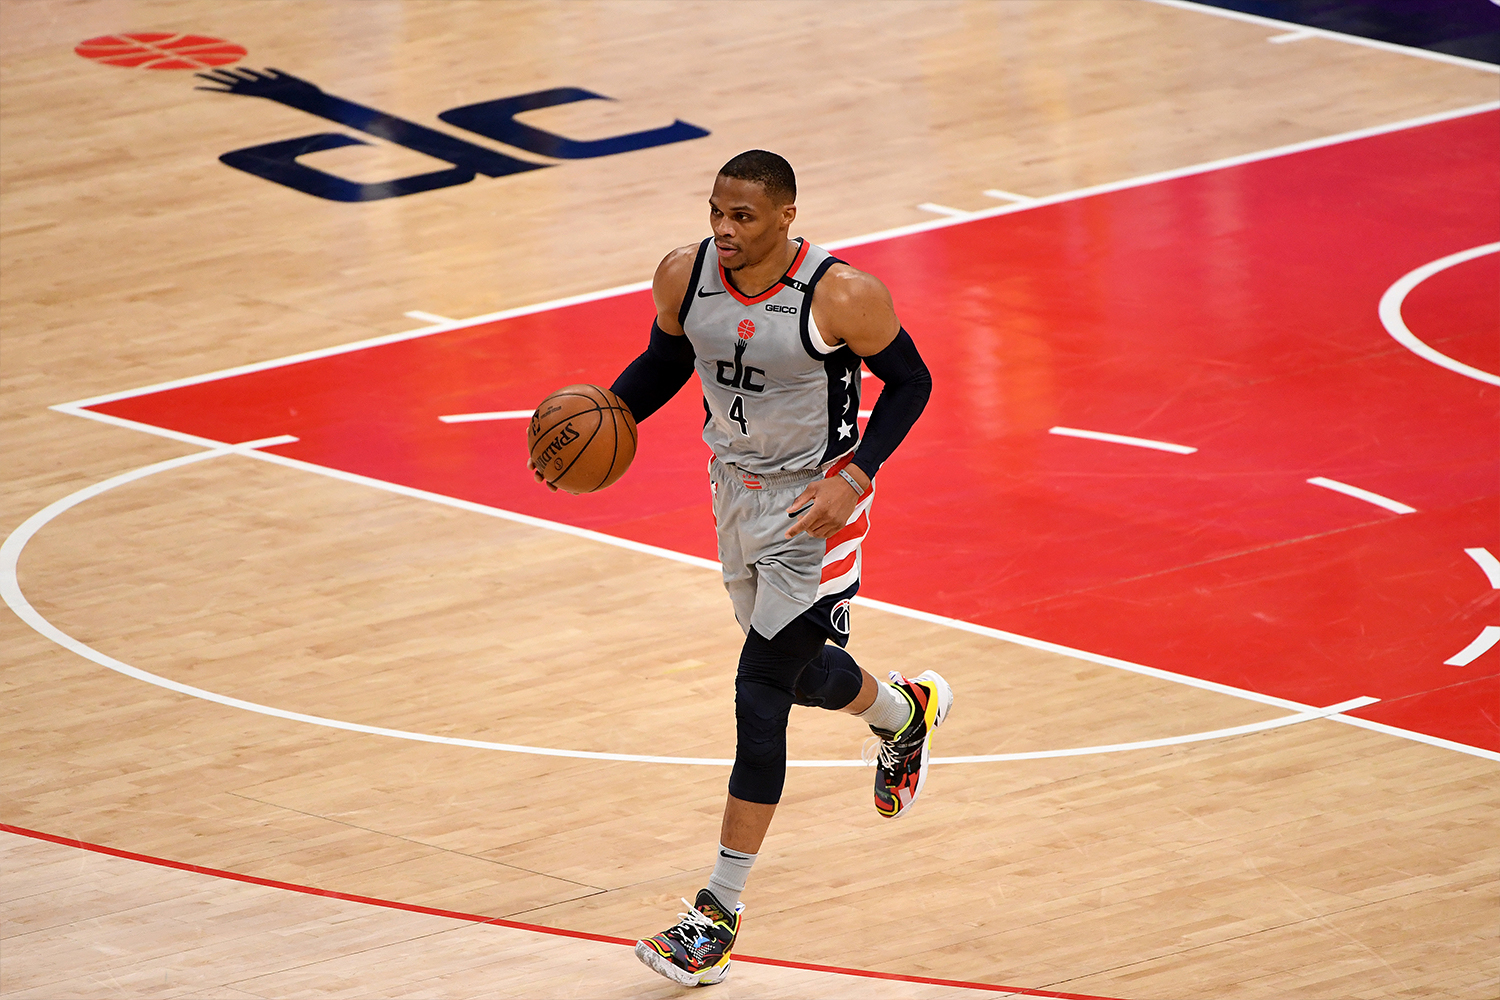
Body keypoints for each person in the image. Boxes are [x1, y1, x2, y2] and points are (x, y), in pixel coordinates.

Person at [531, 149, 948, 988]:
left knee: (760, 691)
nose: (724, 229)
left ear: (787, 216)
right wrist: (602, 419)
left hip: (816, 506)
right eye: (717, 211)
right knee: (794, 677)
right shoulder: (686, 277)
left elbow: (911, 382)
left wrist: (856, 474)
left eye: (744, 216)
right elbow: (666, 363)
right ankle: (903, 712)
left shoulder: (840, 295)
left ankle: (714, 918)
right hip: (731, 491)